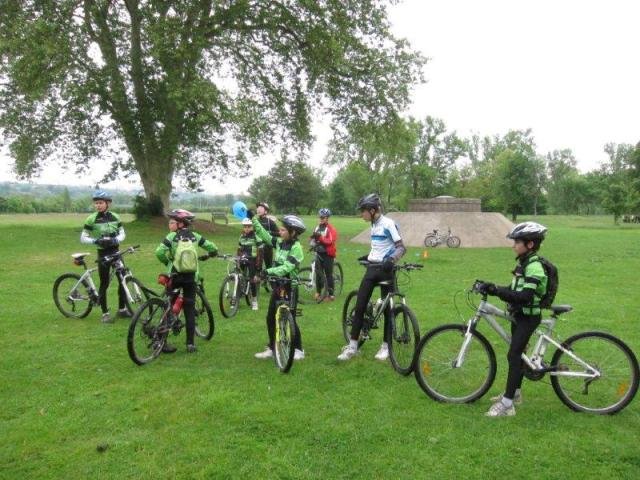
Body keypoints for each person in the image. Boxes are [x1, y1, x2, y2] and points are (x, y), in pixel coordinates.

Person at [476, 221, 549, 417]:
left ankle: (507, 405)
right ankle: (515, 394)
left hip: (528, 318)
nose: (513, 245)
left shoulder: (534, 267)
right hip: (520, 316)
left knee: (514, 356)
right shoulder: (524, 264)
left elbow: (524, 297)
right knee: (516, 355)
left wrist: (497, 291)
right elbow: (513, 289)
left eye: (517, 241)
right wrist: (493, 287)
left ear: (530, 244)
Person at [337, 194, 406, 361]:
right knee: (360, 305)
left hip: (386, 269)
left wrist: (391, 259)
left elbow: (401, 247)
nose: (362, 214)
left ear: (373, 210)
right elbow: (379, 247)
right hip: (372, 269)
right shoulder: (373, 225)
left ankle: (385, 347)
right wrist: (368, 256)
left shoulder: (388, 224)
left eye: (363, 211)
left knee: (389, 310)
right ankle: (352, 346)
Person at [155, 209, 218, 353]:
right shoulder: (195, 236)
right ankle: (190, 344)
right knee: (189, 309)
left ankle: (161, 340)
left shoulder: (172, 237)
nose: (172, 224)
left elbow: (159, 252)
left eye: (174, 221)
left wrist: (169, 262)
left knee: (168, 306)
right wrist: (213, 253)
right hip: (191, 277)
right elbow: (212, 247)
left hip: (175, 276)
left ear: (180, 223)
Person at [247, 209, 306, 361]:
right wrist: (253, 219)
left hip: (289, 287)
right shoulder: (280, 243)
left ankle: (298, 349)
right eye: (280, 229)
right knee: (271, 317)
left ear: (293, 232)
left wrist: (267, 272)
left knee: (290, 318)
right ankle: (273, 348)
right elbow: (265, 235)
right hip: (278, 286)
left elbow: (287, 267)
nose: (279, 231)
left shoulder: (297, 248)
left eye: (283, 229)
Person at [80, 190, 128, 323]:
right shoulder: (91, 219)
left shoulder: (116, 217)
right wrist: (95, 241)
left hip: (116, 252)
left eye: (100, 203)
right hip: (103, 254)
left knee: (122, 279)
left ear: (108, 204)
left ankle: (122, 309)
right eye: (96, 203)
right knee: (104, 283)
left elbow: (122, 233)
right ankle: (105, 313)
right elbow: (83, 237)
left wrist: (116, 240)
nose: (98, 206)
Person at [310, 208, 338, 301]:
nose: (321, 219)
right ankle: (318, 292)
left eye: (323, 217)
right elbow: (313, 238)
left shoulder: (330, 229)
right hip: (319, 252)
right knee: (318, 273)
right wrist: (312, 242)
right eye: (320, 217)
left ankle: (331, 294)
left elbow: (330, 241)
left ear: (327, 218)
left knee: (328, 274)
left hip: (328, 254)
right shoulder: (317, 227)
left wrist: (320, 238)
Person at [237, 217, 264, 310]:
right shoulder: (241, 237)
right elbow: (239, 249)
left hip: (252, 260)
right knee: (239, 278)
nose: (247, 228)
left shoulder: (256, 237)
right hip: (243, 259)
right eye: (245, 227)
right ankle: (237, 297)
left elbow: (260, 252)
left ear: (252, 227)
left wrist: (259, 265)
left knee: (252, 280)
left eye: (249, 227)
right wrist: (238, 258)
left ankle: (254, 301)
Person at [256, 202, 279, 270]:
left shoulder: (270, 222)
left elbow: (279, 233)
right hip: (257, 248)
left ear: (266, 211)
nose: (258, 209)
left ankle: (268, 280)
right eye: (258, 208)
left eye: (261, 208)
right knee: (257, 267)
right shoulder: (255, 221)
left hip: (268, 248)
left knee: (269, 267)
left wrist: (270, 233)